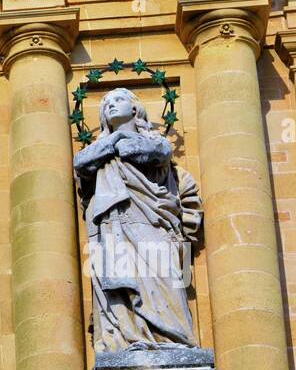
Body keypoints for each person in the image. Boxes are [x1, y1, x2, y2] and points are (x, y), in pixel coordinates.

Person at [72, 87, 202, 352]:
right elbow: (81, 162)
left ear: (135, 109)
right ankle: (129, 336)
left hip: (153, 224)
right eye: (106, 103)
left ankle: (173, 338)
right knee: (119, 277)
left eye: (118, 100)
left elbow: (153, 151)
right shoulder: (98, 149)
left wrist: (114, 141)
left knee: (162, 275)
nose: (110, 105)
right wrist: (115, 139)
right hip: (113, 224)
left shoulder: (154, 141)